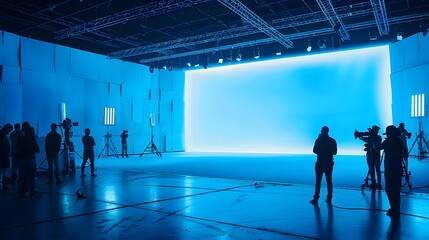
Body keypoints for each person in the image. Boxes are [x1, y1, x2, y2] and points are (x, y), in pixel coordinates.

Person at [373, 125, 403, 218]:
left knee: (389, 189)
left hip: (390, 168)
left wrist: (372, 140)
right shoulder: (399, 141)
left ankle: (393, 208)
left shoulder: (388, 141)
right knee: (396, 190)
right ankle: (396, 209)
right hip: (398, 168)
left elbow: (378, 148)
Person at [310, 126, 337, 205]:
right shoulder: (332, 140)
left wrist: (322, 149)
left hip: (321, 162)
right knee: (328, 181)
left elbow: (314, 151)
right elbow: (335, 152)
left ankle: (316, 198)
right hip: (327, 163)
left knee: (319, 181)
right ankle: (328, 198)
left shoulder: (319, 140)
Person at [16, 126, 40, 198]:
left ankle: (22, 193)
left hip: (21, 160)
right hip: (30, 160)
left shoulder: (20, 139)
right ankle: (32, 193)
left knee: (22, 177)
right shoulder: (32, 140)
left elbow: (17, 148)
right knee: (31, 178)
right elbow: (38, 150)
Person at [364, 126, 383, 190]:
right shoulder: (372, 137)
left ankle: (378, 183)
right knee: (372, 170)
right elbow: (367, 141)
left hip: (376, 156)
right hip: (370, 155)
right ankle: (374, 183)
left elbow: (376, 145)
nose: (377, 131)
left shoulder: (378, 137)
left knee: (377, 170)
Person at [0, 124, 13, 190]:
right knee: (2, 171)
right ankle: (2, 184)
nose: (9, 132)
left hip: (4, 156)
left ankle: (3, 184)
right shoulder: (3, 136)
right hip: (3, 157)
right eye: (9, 131)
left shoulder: (3, 135)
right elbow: (3, 147)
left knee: (3, 171)